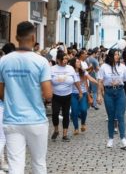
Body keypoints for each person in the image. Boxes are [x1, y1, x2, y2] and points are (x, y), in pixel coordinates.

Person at [0, 21, 52, 173]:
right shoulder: (41, 62)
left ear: (16, 37)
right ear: (34, 37)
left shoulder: (3, 61)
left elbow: (1, 92)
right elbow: (48, 95)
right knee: (39, 163)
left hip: (12, 120)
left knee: (15, 166)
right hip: (36, 120)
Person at [50, 50, 83, 142]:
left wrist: (80, 91)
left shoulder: (70, 69)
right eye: (63, 59)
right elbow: (48, 81)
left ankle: (64, 134)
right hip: (56, 95)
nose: (65, 61)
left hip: (67, 95)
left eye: (66, 59)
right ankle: (56, 130)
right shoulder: (52, 69)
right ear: (58, 60)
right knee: (55, 113)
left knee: (66, 114)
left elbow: (76, 81)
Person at [68, 58, 97, 135]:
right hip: (73, 94)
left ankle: (83, 123)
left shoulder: (83, 72)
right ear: (73, 63)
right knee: (74, 111)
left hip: (83, 94)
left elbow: (90, 78)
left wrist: (98, 83)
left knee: (84, 109)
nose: (79, 63)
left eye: (79, 62)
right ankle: (76, 128)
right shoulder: (70, 72)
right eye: (77, 62)